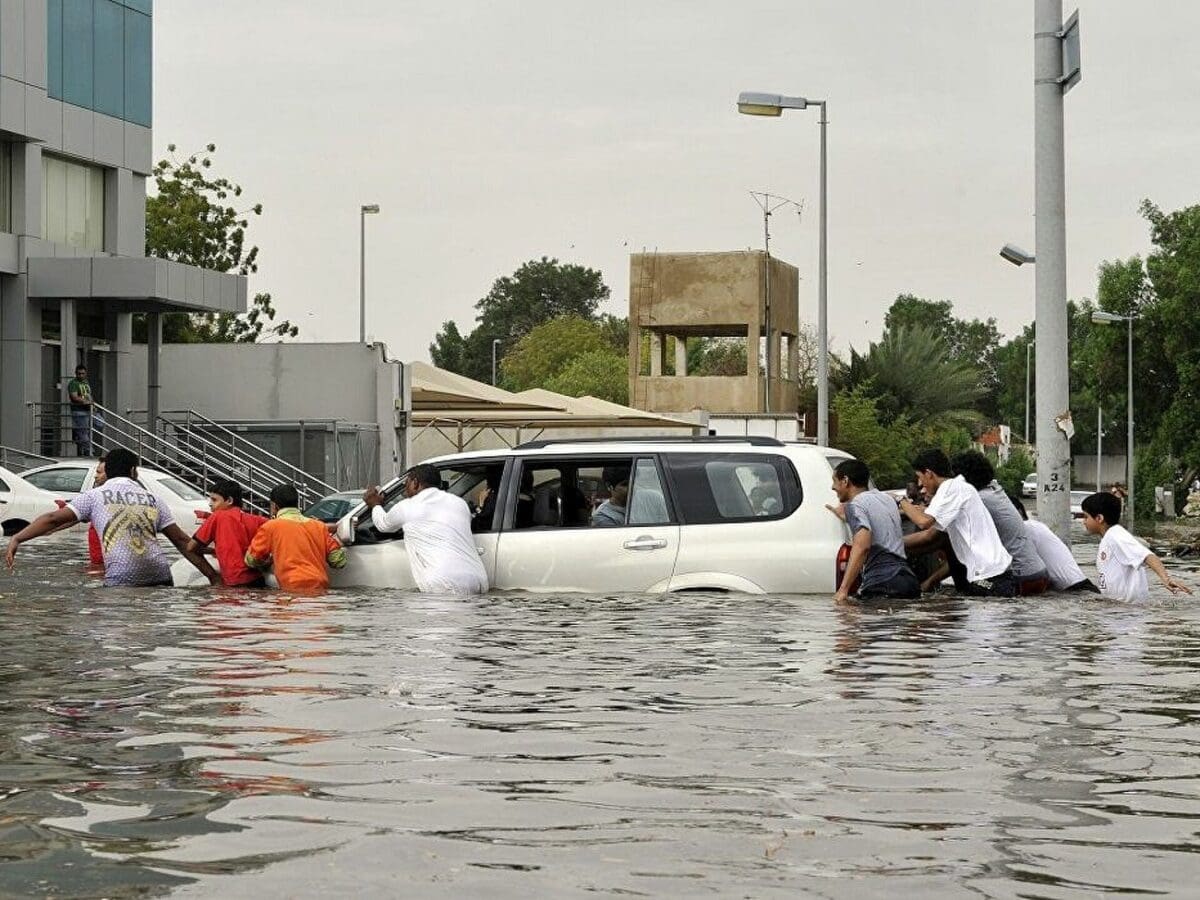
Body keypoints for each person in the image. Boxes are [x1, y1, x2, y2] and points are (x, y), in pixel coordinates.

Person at [4, 447, 218, 586]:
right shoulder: (154, 499)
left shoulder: (94, 496)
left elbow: (52, 519)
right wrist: (213, 577)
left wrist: (17, 538)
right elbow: (182, 542)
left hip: (122, 578)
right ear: (134, 471)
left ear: (108, 471)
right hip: (160, 575)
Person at [900, 448, 1014, 596]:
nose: (921, 484)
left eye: (920, 477)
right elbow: (926, 521)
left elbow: (924, 522)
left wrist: (901, 502)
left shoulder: (951, 487)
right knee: (975, 611)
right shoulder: (958, 488)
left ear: (929, 473)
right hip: (993, 574)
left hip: (989, 576)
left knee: (980, 607)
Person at [363, 464, 489, 594]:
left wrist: (375, 504)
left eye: (406, 484)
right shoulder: (459, 503)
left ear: (415, 483)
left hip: (445, 583)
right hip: (479, 580)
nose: (405, 491)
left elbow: (383, 525)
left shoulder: (408, 506)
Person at [951, 451, 1049, 596]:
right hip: (1039, 574)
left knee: (973, 583)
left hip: (1019, 578)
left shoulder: (978, 500)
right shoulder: (995, 490)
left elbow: (936, 532)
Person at [826, 459, 921, 602]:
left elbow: (862, 546)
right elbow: (878, 521)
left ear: (845, 481)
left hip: (883, 583)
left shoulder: (855, 506)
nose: (833, 487)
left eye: (834, 481)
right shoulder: (886, 499)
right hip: (908, 581)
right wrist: (848, 517)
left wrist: (843, 590)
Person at [1080, 492, 1192, 601]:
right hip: (1116, 609)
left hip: (1127, 613)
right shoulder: (1109, 538)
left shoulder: (1116, 535)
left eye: (1086, 517)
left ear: (1099, 518)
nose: (1083, 522)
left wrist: (1166, 579)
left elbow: (1148, 556)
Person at [245, 484, 347, 592]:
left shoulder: (270, 527)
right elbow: (339, 561)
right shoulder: (319, 526)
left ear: (274, 506)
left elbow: (251, 560)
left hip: (291, 588)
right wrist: (339, 540)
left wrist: (267, 562)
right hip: (320, 587)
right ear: (297, 504)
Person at [1007, 493, 1098, 593]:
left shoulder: (1026, 529)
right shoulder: (1035, 526)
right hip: (1078, 588)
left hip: (1074, 590)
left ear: (1018, 512)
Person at [187, 479, 268, 588]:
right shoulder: (257, 520)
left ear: (229, 500)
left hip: (234, 582)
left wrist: (216, 552)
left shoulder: (217, 516)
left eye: (214, 500)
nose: (210, 504)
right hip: (257, 580)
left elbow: (191, 547)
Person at [67, 365, 95, 457]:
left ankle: (77, 435)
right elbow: (74, 397)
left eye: (83, 373)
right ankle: (88, 451)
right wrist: (85, 401)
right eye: (79, 374)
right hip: (79, 410)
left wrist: (92, 404)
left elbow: (88, 394)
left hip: (88, 410)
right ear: (76, 373)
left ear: (85, 373)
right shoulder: (73, 383)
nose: (81, 375)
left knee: (99, 423)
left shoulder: (86, 382)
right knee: (83, 432)